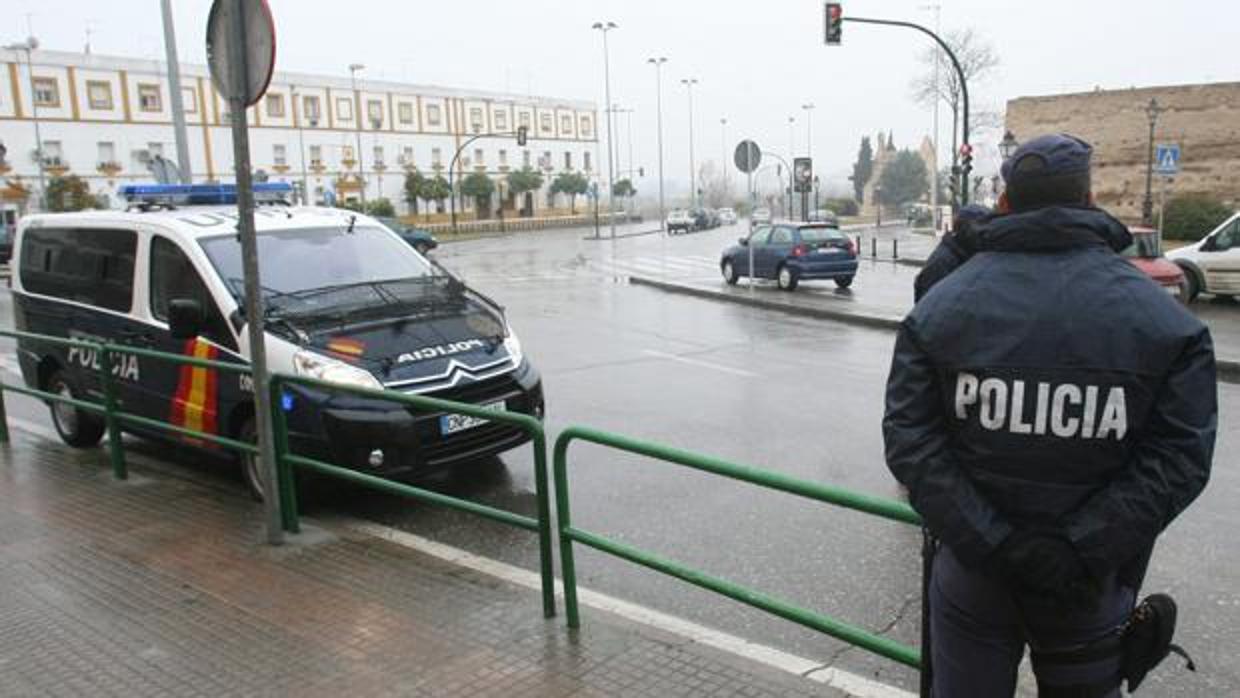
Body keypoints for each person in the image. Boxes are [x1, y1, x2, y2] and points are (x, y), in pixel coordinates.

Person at [883, 133, 1216, 697]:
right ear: (1088, 198)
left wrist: (998, 544)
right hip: (1088, 583)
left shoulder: (940, 310)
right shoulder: (1166, 326)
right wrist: (1078, 548)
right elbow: (1179, 457)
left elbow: (911, 443)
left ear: (1006, 202)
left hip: (975, 575)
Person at [913, 204, 992, 302]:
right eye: (982, 230)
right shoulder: (943, 262)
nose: (986, 235)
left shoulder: (966, 254)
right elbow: (929, 303)